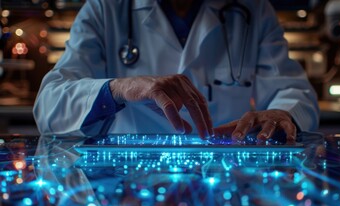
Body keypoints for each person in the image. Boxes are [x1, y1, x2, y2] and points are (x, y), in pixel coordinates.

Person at [33, 0, 320, 142]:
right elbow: (49, 106)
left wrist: (283, 113)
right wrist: (118, 89)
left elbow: (293, 91)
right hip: (130, 186)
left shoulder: (252, 9)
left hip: (227, 182)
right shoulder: (104, 8)